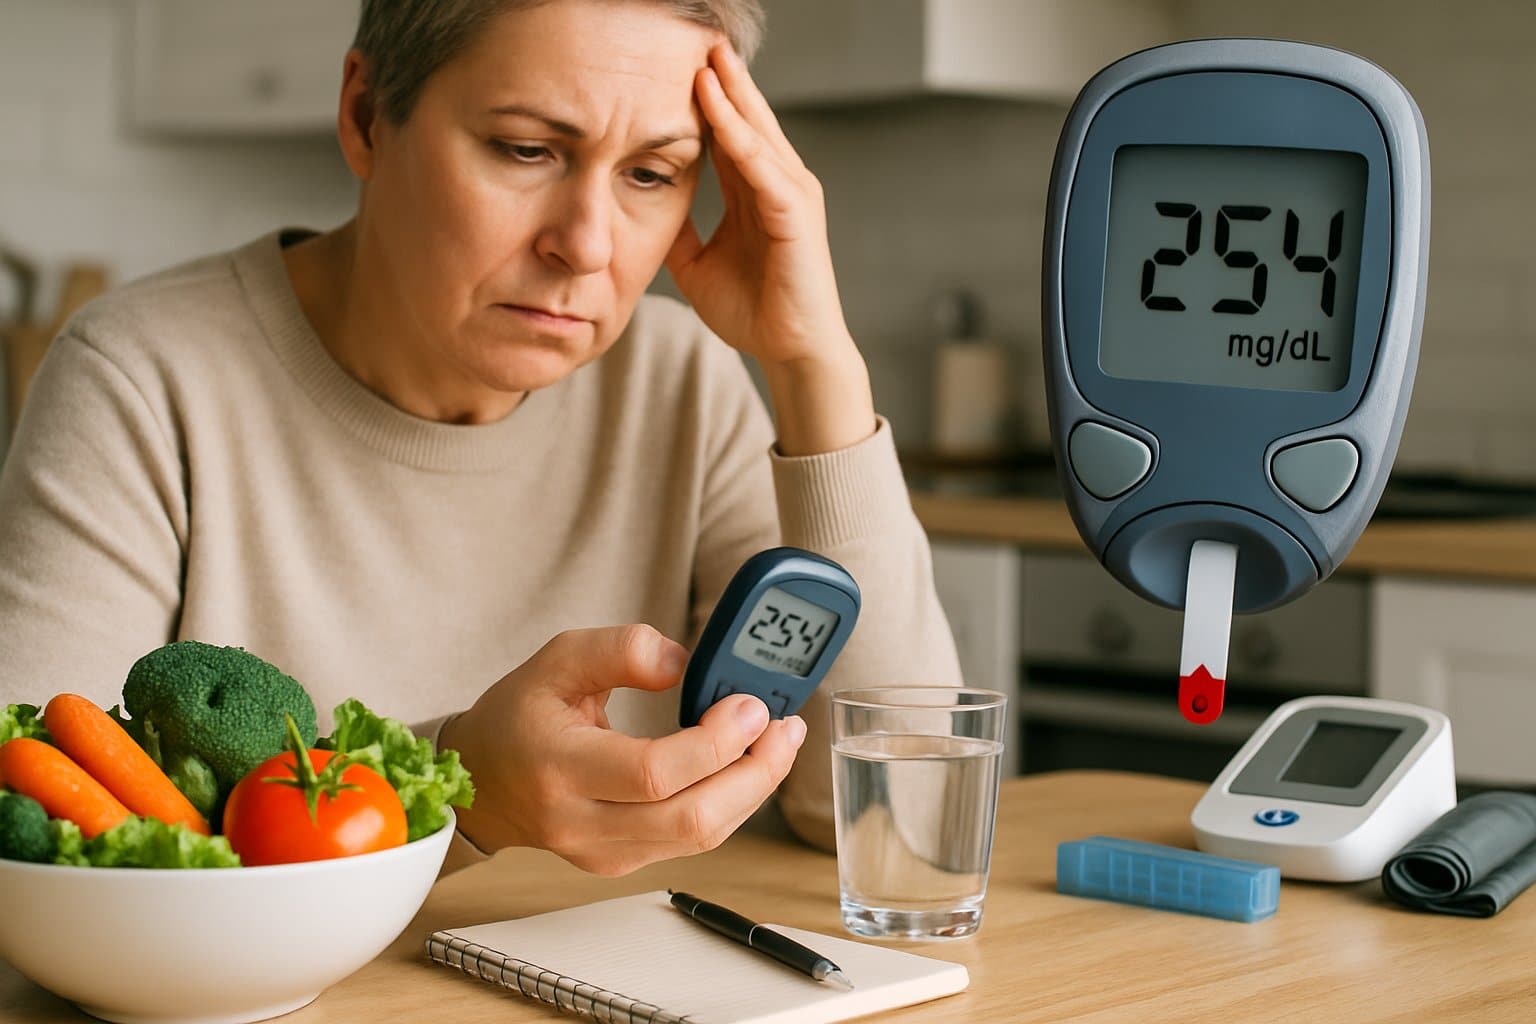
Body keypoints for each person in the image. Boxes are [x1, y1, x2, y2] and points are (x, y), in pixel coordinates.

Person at [0, 0, 961, 875]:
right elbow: (36, 840)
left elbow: (892, 818)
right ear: (368, 115)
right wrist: (457, 787)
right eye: (525, 150)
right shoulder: (142, 378)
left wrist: (815, 364)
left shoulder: (684, 385)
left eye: (651, 173)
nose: (586, 244)